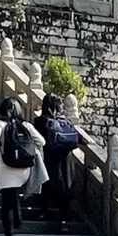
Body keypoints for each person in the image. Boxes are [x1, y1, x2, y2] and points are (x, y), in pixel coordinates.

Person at [0, 97, 46, 236]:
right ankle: (18, 219)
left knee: (7, 203)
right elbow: (42, 142)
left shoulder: (1, 124)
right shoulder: (26, 125)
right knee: (15, 194)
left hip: (8, 169)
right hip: (25, 168)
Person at [31, 93, 80, 224]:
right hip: (66, 160)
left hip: (48, 160)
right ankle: (63, 221)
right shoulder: (66, 122)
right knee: (65, 191)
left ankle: (44, 211)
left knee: (45, 186)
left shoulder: (40, 122)